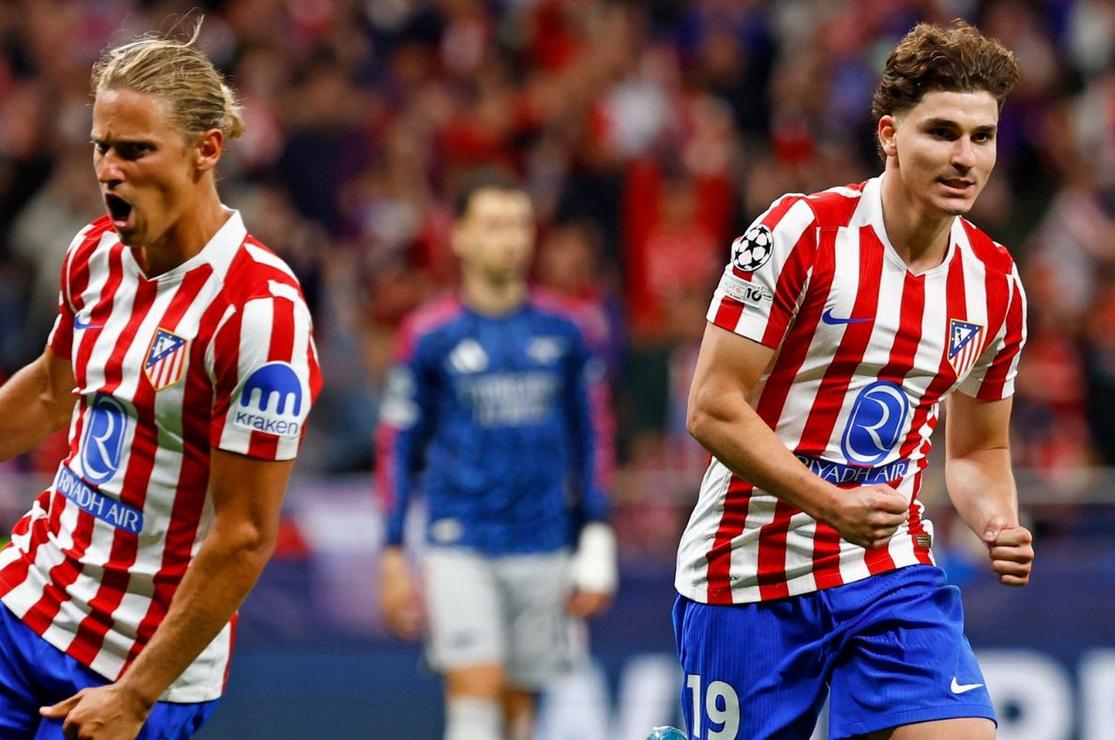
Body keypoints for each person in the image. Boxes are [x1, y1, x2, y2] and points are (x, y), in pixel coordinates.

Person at [673, 20, 1034, 739]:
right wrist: (831, 503)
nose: (965, 158)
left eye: (982, 137)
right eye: (942, 133)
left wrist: (995, 520)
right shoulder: (799, 234)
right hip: (746, 571)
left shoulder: (995, 284)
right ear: (889, 135)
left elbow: (977, 451)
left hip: (887, 570)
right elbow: (712, 407)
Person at [0, 23, 321, 740]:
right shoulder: (94, 252)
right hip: (24, 600)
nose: (109, 171)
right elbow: (51, 391)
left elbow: (244, 535)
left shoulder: (260, 313)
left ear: (207, 149)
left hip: (129, 667)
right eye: (101, 147)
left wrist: (137, 695)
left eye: (135, 150)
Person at [376, 174, 617, 740]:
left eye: (518, 225)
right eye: (493, 225)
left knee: (516, 711)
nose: (509, 239)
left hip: (544, 540)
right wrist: (392, 550)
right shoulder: (429, 336)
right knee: (475, 692)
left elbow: (593, 435)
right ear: (459, 236)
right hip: (461, 540)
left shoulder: (567, 331)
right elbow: (397, 446)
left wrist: (596, 533)